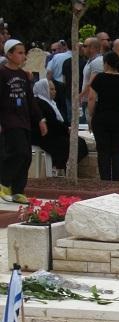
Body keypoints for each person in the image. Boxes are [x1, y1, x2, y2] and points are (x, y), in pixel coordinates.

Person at [0, 39, 46, 203]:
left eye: (23, 52)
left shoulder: (23, 75)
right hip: (9, 120)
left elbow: (30, 100)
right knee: (18, 152)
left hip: (24, 120)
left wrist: (40, 119)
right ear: (9, 54)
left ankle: (18, 191)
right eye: (19, 53)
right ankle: (4, 183)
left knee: (27, 156)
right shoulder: (2, 73)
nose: (23, 56)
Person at [87, 51, 119, 181]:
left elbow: (91, 98)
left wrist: (90, 115)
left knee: (103, 151)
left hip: (101, 117)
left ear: (106, 63)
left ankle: (105, 180)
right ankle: (118, 181)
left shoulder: (99, 78)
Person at [31, 79, 88, 175]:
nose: (55, 92)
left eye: (54, 89)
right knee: (76, 145)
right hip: (44, 137)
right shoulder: (40, 104)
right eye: (51, 89)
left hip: (52, 134)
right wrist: (66, 130)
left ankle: (61, 166)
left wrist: (66, 129)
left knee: (80, 143)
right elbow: (52, 123)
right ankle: (61, 166)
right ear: (44, 89)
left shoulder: (49, 102)